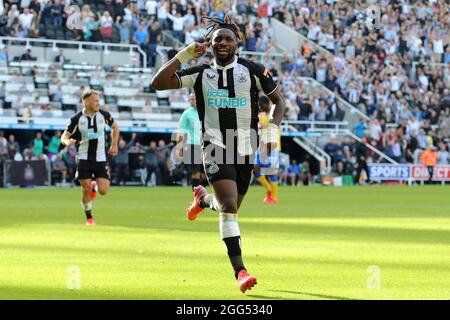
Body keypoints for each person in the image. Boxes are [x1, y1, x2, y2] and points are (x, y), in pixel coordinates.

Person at [151, 15, 285, 293]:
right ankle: (241, 271)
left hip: (246, 148)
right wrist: (185, 54)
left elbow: (278, 102)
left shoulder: (253, 71)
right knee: (229, 208)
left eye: (228, 38)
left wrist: (271, 131)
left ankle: (202, 200)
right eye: (217, 39)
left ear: (238, 43)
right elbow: (159, 83)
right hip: (214, 146)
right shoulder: (199, 73)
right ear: (209, 44)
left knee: (229, 205)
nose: (223, 42)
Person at [60, 90, 119, 226]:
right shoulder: (76, 119)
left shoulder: (104, 115)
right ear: (86, 102)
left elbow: (115, 127)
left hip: (100, 157)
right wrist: (67, 142)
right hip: (83, 158)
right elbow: (64, 136)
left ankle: (95, 186)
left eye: (99, 100)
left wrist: (114, 144)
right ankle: (89, 218)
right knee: (85, 189)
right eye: (95, 100)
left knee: (103, 190)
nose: (98, 103)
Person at [253, 95, 280, 204]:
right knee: (255, 169)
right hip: (262, 146)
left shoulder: (274, 114)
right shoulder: (261, 115)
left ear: (265, 103)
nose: (259, 107)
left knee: (272, 172)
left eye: (260, 105)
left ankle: (273, 197)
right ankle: (269, 190)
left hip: (273, 146)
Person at [176, 92, 205, 190]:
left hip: (205, 145)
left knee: (204, 174)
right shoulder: (187, 113)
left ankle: (202, 196)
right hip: (192, 145)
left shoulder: (205, 111)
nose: (192, 101)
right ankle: (196, 197)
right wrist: (179, 147)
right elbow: (181, 131)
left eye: (194, 99)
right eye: (191, 99)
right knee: (195, 173)